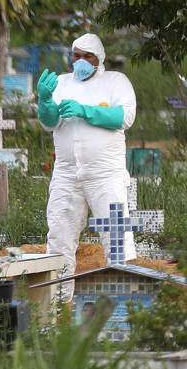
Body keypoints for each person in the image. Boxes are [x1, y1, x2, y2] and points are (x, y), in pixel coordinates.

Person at [39, 32, 137, 279]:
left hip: (106, 175)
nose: (80, 61)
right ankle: (60, 309)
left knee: (116, 240)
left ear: (99, 58)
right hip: (67, 175)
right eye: (76, 55)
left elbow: (124, 117)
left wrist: (85, 111)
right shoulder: (61, 83)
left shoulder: (116, 81)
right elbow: (50, 122)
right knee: (59, 240)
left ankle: (122, 310)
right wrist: (45, 101)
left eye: (87, 56)